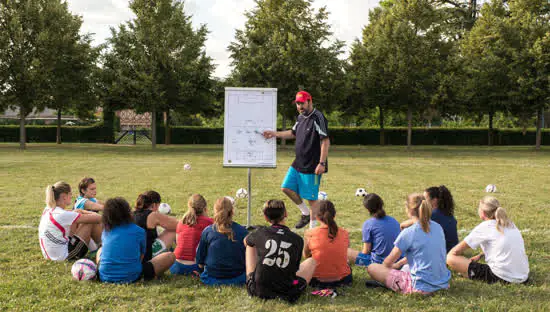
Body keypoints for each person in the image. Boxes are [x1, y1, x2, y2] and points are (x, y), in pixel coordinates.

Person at [263, 90, 330, 229]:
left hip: (313, 166)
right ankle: (305, 213)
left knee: (312, 199)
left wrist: (321, 163)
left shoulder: (318, 117)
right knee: (286, 187)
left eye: (302, 103)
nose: (300, 106)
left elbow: (325, 141)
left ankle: (313, 229)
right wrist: (275, 134)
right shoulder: (300, 118)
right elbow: (292, 133)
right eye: (298, 104)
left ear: (309, 102)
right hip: (298, 163)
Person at [367, 193, 450, 295]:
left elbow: (387, 263)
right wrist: (399, 264)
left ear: (409, 210)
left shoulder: (409, 232)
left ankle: (395, 285)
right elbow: (423, 253)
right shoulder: (438, 227)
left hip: (420, 288)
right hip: (443, 283)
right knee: (406, 267)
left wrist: (392, 266)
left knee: (372, 268)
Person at [245, 200, 317, 303]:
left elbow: (246, 241)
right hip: (287, 292)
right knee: (311, 262)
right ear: (286, 214)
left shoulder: (260, 233)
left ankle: (251, 277)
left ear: (265, 217)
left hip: (257, 290)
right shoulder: (297, 239)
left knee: (250, 244)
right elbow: (294, 270)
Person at [446, 196, 529, 284]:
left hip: (502, 277)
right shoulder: (510, 224)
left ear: (482, 212)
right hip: (523, 276)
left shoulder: (485, 227)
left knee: (450, 258)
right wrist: (480, 255)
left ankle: (467, 273)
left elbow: (454, 252)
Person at [97, 197, 175, 283]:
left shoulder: (106, 231)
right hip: (133, 276)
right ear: (128, 212)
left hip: (104, 276)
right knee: (170, 256)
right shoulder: (139, 231)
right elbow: (141, 256)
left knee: (100, 250)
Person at [39, 181, 102, 261]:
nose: (71, 196)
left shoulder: (49, 209)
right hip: (65, 256)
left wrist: (83, 211)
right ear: (64, 196)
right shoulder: (62, 215)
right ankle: (103, 249)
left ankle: (95, 248)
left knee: (78, 213)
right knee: (89, 222)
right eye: (70, 194)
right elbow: (98, 219)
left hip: (52, 255)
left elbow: (75, 212)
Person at [195, 197, 248, 286]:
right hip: (238, 277)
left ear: (215, 211)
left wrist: (200, 271)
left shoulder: (208, 231)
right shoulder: (243, 231)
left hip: (212, 277)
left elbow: (200, 260)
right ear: (232, 212)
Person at [303, 200, 352, 288]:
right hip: (344, 280)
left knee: (307, 263)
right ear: (334, 215)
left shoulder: (309, 233)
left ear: (316, 216)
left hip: (316, 280)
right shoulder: (344, 232)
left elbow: (306, 256)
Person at [348, 193, 401, 267]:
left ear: (367, 209)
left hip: (379, 262)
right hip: (397, 259)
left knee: (347, 252)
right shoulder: (394, 220)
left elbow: (366, 251)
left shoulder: (368, 224)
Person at [400, 185, 458, 253]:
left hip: (444, 252)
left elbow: (403, 225)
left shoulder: (433, 215)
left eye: (424, 199)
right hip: (453, 249)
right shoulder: (447, 213)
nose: (422, 202)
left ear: (434, 200)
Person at [170, 194, 213, 275]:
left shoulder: (181, 222)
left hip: (176, 266)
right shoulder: (210, 222)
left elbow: (178, 243)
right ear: (205, 208)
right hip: (196, 267)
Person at [133, 191, 178, 263]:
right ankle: (182, 256)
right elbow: (178, 224)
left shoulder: (133, 214)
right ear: (154, 205)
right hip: (146, 255)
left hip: (133, 255)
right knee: (173, 230)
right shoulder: (153, 215)